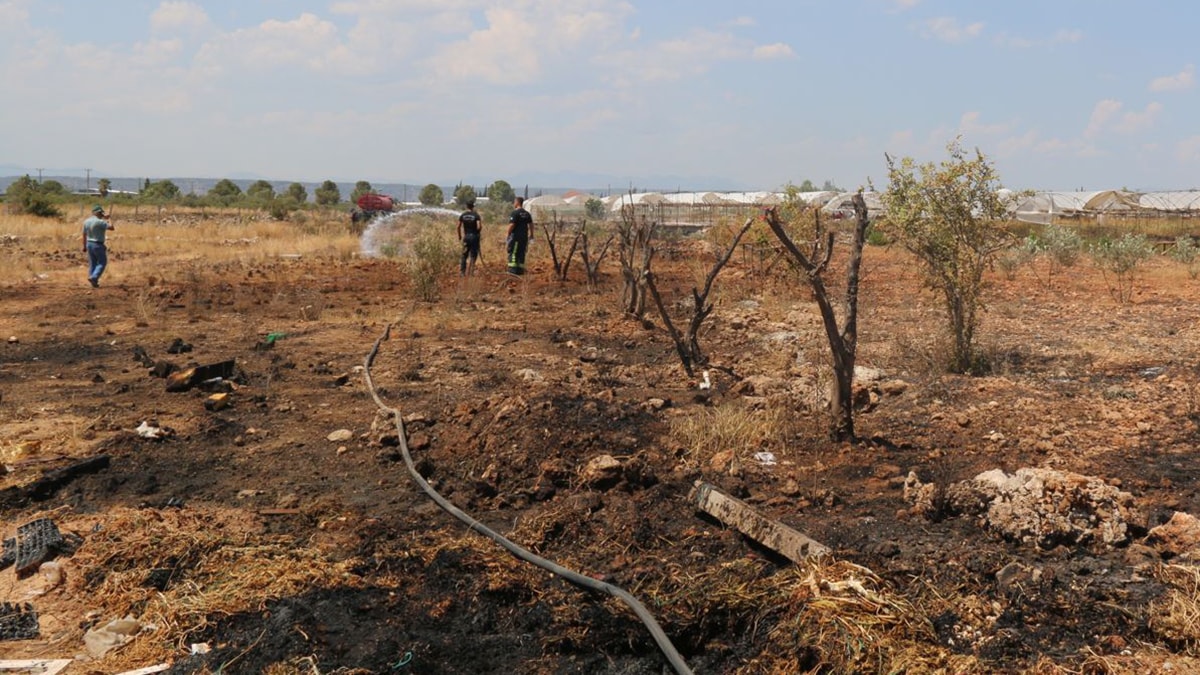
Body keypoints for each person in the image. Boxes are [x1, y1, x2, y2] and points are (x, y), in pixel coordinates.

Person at [82, 205, 114, 288]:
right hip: (98, 244)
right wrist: (109, 218)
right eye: (100, 213)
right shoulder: (100, 222)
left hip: (89, 244)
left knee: (92, 263)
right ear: (100, 213)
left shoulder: (86, 221)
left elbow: (84, 235)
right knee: (102, 262)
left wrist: (84, 246)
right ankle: (94, 277)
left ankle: (93, 281)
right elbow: (111, 228)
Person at [506, 196, 533, 276]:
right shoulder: (527, 214)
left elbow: (512, 225)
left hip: (516, 237)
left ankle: (512, 270)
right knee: (521, 252)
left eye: (514, 202)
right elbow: (531, 225)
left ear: (517, 202)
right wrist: (531, 235)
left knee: (514, 252)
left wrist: (508, 234)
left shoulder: (515, 213)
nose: (513, 204)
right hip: (524, 237)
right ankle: (520, 270)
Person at [458, 199, 483, 276]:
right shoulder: (476, 215)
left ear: (467, 206)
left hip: (466, 237)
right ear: (473, 206)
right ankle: (471, 272)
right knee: (473, 255)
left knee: (464, 255)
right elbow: (479, 226)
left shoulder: (463, 215)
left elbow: (458, 226)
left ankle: (462, 272)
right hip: (474, 237)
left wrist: (460, 236)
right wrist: (477, 233)